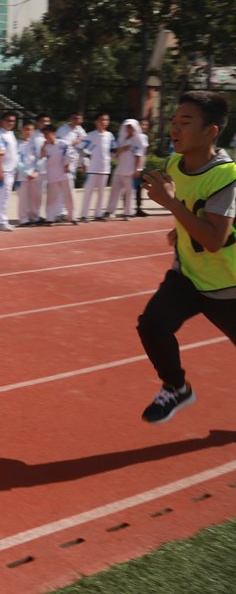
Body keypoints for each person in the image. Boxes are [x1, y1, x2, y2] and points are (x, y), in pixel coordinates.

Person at [136, 91, 236, 423]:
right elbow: (192, 212)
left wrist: (172, 205)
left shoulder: (227, 177)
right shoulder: (173, 165)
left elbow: (214, 240)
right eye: (174, 121)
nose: (175, 129)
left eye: (185, 122)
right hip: (188, 276)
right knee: (152, 325)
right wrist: (179, 229)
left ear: (210, 131)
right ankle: (176, 388)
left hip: (228, 285)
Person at [79, 112, 114, 221]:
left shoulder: (110, 136)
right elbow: (82, 149)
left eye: (106, 120)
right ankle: (84, 215)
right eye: (102, 120)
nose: (104, 122)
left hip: (105, 169)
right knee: (88, 192)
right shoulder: (91, 135)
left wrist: (110, 158)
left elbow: (114, 150)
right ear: (96, 122)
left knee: (101, 193)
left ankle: (98, 214)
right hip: (92, 169)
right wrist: (84, 162)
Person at [107, 119, 145, 220]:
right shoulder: (121, 139)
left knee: (129, 193)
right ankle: (110, 211)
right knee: (114, 191)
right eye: (127, 126)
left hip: (130, 171)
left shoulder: (137, 140)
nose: (129, 129)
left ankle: (128, 213)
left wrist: (138, 169)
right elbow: (115, 154)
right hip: (119, 170)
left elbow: (140, 156)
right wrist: (122, 149)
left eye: (131, 127)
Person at [41, 125, 73, 224]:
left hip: (64, 174)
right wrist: (43, 147)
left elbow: (70, 154)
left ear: (53, 133)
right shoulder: (46, 146)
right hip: (52, 175)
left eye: (47, 134)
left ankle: (72, 217)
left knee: (68, 196)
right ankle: (50, 218)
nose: (46, 136)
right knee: (51, 198)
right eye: (44, 134)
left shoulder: (63, 143)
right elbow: (41, 157)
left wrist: (67, 164)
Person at [15, 121, 43, 226]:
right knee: (23, 198)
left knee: (36, 197)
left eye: (31, 130)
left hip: (35, 175)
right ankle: (24, 219)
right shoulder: (17, 144)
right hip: (22, 176)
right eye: (26, 129)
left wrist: (36, 171)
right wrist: (27, 173)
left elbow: (40, 158)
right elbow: (17, 161)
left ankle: (35, 216)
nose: (29, 132)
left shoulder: (35, 144)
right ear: (21, 131)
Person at [0, 111, 19, 231]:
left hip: (11, 169)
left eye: (13, 121)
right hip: (4, 170)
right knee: (3, 196)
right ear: (2, 121)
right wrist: (0, 171)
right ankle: (1, 221)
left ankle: (2, 219)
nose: (11, 123)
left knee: (6, 196)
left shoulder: (11, 134)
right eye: (8, 121)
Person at [134, 119, 151, 217]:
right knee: (130, 188)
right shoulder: (135, 136)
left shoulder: (145, 137)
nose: (144, 127)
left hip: (141, 166)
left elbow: (144, 152)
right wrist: (137, 167)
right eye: (142, 124)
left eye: (146, 125)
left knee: (139, 188)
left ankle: (138, 208)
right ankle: (128, 209)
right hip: (134, 167)